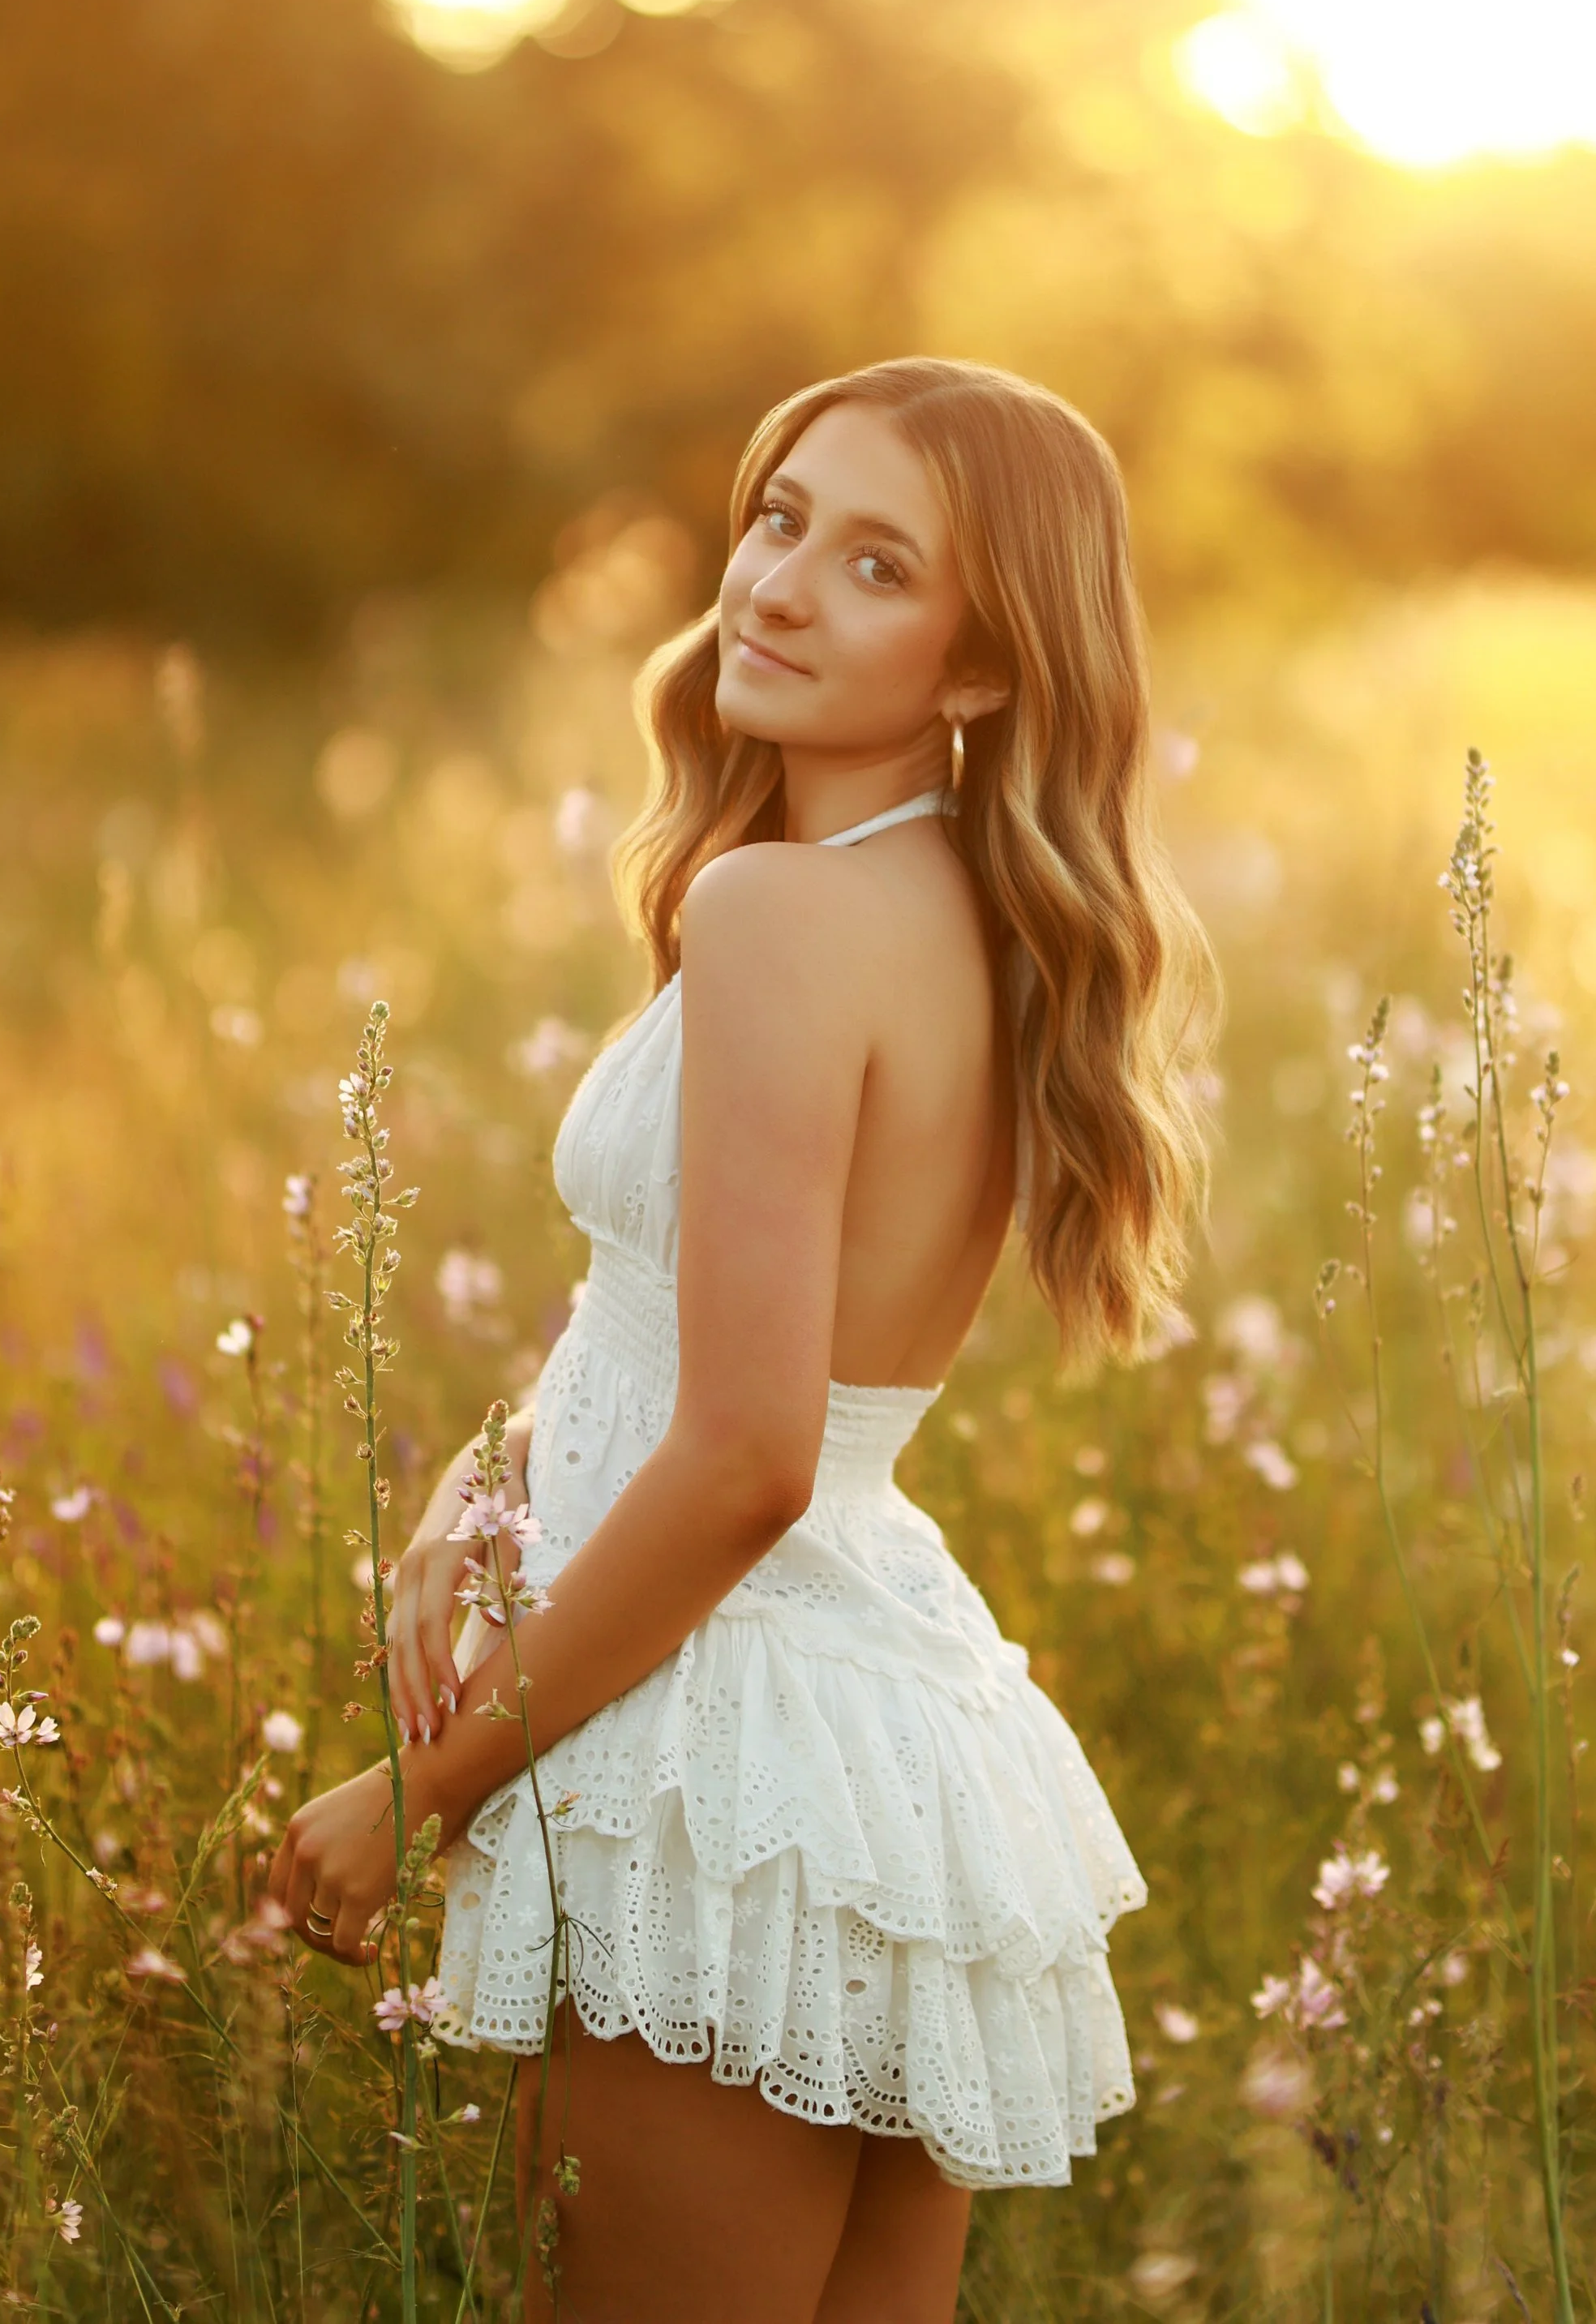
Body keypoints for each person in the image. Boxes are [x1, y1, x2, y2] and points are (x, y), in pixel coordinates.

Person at [271, 357, 1218, 2321]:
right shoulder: (973, 921)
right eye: (779, 519)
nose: (778, 586)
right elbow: (682, 1327)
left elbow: (746, 1458)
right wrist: (480, 1486)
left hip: (724, 1747)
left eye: (877, 564)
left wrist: (409, 1797)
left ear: (979, 665)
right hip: (890, 1744)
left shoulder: (783, 915)